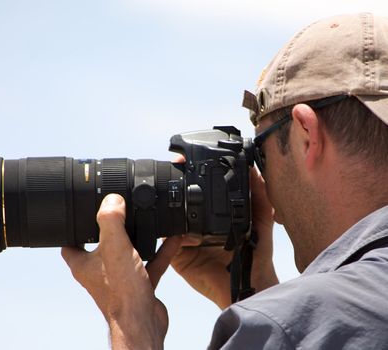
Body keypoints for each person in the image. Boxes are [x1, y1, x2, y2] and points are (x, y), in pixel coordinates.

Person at [61, 13, 388, 349]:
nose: (269, 204)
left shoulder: (297, 326)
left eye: (259, 154)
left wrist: (130, 321)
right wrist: (250, 285)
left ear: (307, 135)